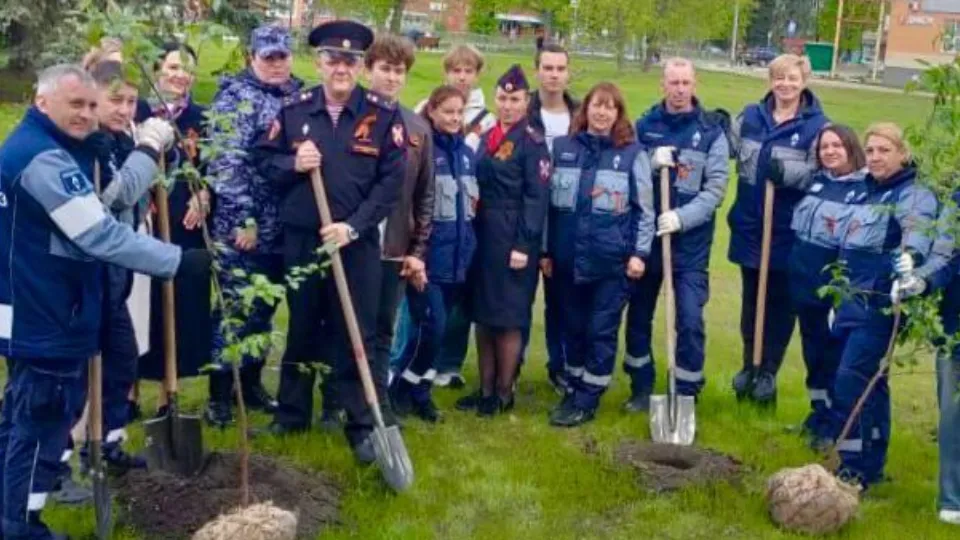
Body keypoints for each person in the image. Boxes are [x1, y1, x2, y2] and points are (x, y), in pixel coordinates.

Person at [0, 63, 208, 540]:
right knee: (41, 422)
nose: (87, 115)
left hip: (38, 309)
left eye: (92, 106)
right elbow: (99, 234)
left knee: (23, 418)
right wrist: (177, 261)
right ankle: (20, 526)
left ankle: (12, 514)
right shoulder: (43, 159)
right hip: (48, 314)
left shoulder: (44, 147)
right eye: (77, 105)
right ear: (42, 101)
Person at [254, 20, 406, 464]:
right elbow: (264, 162)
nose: (341, 67)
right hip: (304, 239)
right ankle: (292, 413)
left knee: (354, 330)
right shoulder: (295, 111)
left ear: (360, 66)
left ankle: (357, 422)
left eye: (351, 60)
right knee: (302, 324)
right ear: (318, 62)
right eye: (333, 59)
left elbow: (390, 184)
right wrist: (293, 162)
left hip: (355, 244)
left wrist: (353, 227)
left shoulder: (382, 115)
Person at [205, 25, 305, 428]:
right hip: (242, 227)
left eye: (282, 56)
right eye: (268, 57)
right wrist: (246, 220)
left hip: (287, 226)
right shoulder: (235, 99)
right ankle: (218, 395)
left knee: (265, 310)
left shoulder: (301, 96)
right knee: (235, 310)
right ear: (252, 58)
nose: (276, 64)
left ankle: (250, 385)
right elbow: (225, 165)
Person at [827, 122, 937, 488]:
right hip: (851, 300)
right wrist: (837, 298)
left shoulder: (913, 193)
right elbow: (847, 245)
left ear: (902, 154)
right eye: (870, 150)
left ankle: (855, 469)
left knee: (850, 381)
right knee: (871, 384)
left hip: (880, 304)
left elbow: (917, 231)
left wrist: (911, 261)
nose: (874, 157)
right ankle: (871, 464)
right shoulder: (863, 191)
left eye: (884, 150)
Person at [84, 60, 177, 474]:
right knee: (80, 371)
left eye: (132, 101)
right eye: (115, 100)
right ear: (94, 98)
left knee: (122, 359)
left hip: (116, 269)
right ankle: (69, 457)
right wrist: (148, 150)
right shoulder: (90, 144)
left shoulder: (123, 138)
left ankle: (109, 444)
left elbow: (140, 197)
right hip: (86, 273)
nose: (124, 110)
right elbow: (117, 195)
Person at [543, 82, 654, 426]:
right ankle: (574, 386)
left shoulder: (633, 155)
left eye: (611, 107)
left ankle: (589, 398)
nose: (603, 113)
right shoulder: (562, 148)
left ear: (619, 114)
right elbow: (547, 208)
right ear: (585, 109)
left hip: (612, 264)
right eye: (597, 106)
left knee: (600, 330)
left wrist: (639, 253)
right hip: (567, 261)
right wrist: (545, 250)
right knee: (571, 328)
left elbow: (644, 211)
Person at [623, 58, 730, 412]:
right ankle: (641, 387)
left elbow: (715, 190)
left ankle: (685, 394)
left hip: (691, 247)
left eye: (686, 82)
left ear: (695, 84)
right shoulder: (645, 126)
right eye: (673, 83)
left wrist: (681, 218)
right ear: (662, 85)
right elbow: (630, 176)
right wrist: (649, 160)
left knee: (689, 319)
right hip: (646, 242)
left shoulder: (712, 130)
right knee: (638, 316)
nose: (680, 89)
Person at [727, 54, 829, 404]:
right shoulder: (752, 116)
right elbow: (727, 147)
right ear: (770, 81)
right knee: (751, 299)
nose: (785, 85)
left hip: (788, 233)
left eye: (792, 79)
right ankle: (748, 367)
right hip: (751, 226)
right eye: (779, 78)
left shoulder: (817, 126)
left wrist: (789, 175)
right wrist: (712, 126)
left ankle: (768, 371)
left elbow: (825, 172)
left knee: (780, 304)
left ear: (804, 81)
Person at [456, 65, 550, 416]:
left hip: (513, 236)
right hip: (483, 233)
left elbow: (536, 198)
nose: (507, 105)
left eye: (515, 99)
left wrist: (525, 246)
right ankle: (484, 390)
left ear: (526, 102)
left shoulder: (532, 142)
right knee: (483, 314)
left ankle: (504, 392)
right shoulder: (486, 135)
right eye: (502, 98)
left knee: (508, 316)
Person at [405, 44, 495, 389]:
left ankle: (444, 368)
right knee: (426, 319)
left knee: (453, 314)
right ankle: (409, 377)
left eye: (468, 70)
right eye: (456, 70)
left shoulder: (484, 121)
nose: (462, 76)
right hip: (430, 244)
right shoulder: (423, 124)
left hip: (462, 241)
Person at [135, 41, 213, 414]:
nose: (180, 75)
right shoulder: (136, 113)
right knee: (138, 307)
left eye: (186, 69)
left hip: (185, 225)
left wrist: (205, 194)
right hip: (142, 227)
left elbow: (215, 170)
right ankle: (129, 392)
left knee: (179, 307)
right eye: (172, 67)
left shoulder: (202, 118)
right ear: (156, 71)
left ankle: (170, 392)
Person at [389, 85, 475, 423]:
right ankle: (400, 387)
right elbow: (413, 205)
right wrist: (415, 254)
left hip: (458, 258)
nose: (454, 118)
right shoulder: (422, 149)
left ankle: (420, 393)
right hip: (428, 257)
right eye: (448, 112)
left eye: (459, 112)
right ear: (433, 112)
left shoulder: (465, 154)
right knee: (431, 327)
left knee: (437, 333)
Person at [364, 35, 435, 425]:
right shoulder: (355, 117)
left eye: (399, 71)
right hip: (355, 244)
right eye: (385, 69)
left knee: (383, 329)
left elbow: (425, 194)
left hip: (394, 246)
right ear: (369, 70)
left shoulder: (417, 128)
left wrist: (417, 250)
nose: (391, 78)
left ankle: (379, 403)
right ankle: (337, 400)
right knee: (345, 326)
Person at [787, 124, 866, 449]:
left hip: (835, 291)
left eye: (837, 145)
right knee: (813, 355)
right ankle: (817, 413)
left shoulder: (863, 189)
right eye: (824, 147)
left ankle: (834, 425)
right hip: (806, 287)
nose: (830, 151)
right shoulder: (818, 183)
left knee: (834, 358)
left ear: (851, 147)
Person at [895, 192, 960, 525]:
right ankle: (954, 499)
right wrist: (920, 280)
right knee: (954, 415)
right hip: (957, 328)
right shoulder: (959, 199)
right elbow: (946, 257)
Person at [529, 42, 579, 392]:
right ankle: (507, 367)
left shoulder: (580, 116)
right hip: (525, 215)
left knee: (561, 301)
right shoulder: (522, 109)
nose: (554, 75)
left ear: (568, 72)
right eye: (548, 68)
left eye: (560, 69)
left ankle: (560, 364)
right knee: (515, 299)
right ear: (538, 71)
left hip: (564, 218)